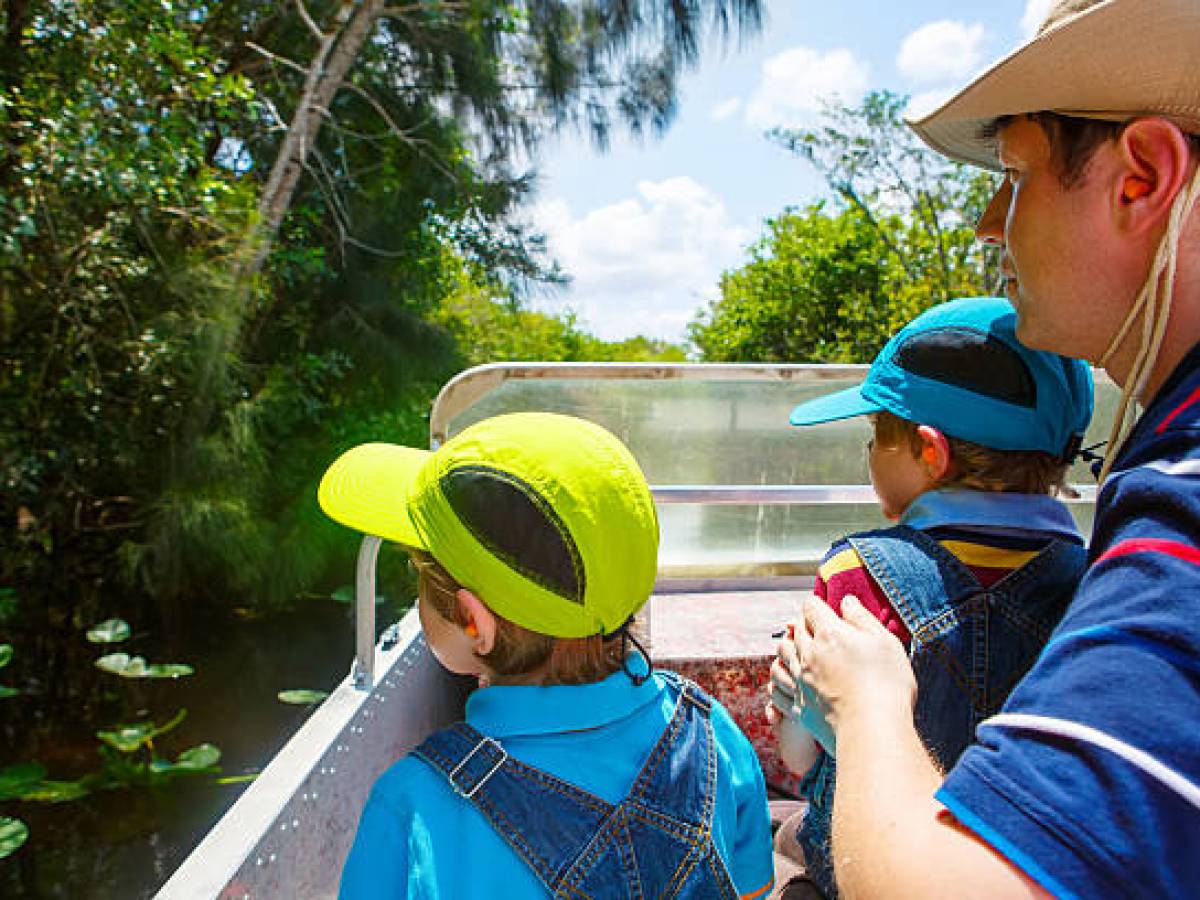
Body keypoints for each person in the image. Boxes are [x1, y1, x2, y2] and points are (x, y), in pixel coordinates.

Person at [774, 1, 1200, 897]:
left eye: (1014, 173)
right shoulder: (1124, 517)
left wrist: (866, 699)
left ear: (1142, 177)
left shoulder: (1182, 499)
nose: (988, 221)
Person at [318, 411, 776, 899]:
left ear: (473, 622)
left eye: (421, 578)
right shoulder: (710, 730)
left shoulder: (410, 804)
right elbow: (751, 889)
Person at [767, 297, 1094, 898]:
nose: (869, 455)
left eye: (875, 436)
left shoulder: (855, 572)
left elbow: (800, 756)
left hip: (869, 865)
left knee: (783, 840)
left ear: (929, 452)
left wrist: (788, 697)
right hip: (1022, 871)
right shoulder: (1096, 580)